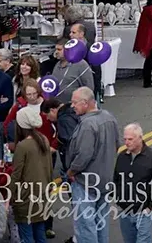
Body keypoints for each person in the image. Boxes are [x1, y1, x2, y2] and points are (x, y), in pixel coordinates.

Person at [65, 86, 121, 243]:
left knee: (85, 226)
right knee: (101, 223)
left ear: (85, 103)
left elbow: (84, 155)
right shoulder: (109, 117)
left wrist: (71, 171)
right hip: (104, 181)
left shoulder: (87, 125)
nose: (72, 106)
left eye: (75, 102)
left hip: (85, 183)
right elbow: (117, 145)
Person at [114, 123, 152, 243]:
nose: (127, 142)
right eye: (125, 139)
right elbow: (116, 180)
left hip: (143, 213)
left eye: (130, 139)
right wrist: (119, 199)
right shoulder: (122, 157)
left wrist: (150, 207)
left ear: (140, 138)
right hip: (125, 211)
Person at [10, 106, 53, 243]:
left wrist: (9, 197)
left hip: (26, 198)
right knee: (40, 233)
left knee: (27, 236)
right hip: (42, 194)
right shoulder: (44, 140)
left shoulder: (22, 146)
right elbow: (49, 167)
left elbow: (16, 175)